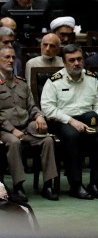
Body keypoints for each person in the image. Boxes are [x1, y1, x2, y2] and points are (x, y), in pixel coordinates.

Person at [40, 44, 98, 199]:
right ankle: (76, 184)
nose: (76, 63)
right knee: (73, 136)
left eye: (79, 59)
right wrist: (71, 120)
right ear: (65, 63)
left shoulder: (91, 78)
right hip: (63, 122)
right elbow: (48, 108)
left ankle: (95, 183)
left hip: (88, 120)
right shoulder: (54, 81)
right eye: (72, 60)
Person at [0, 46, 58, 202]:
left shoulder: (21, 83)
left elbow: (32, 106)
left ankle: (48, 184)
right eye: (7, 57)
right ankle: (18, 186)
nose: (11, 60)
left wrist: (39, 116)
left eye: (13, 57)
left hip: (25, 127)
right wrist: (12, 130)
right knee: (13, 143)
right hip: (4, 130)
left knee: (47, 140)